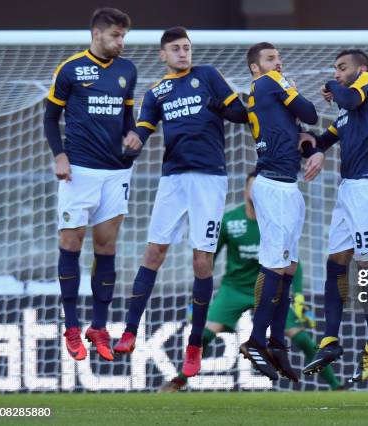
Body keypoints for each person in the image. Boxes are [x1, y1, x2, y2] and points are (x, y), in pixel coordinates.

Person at [112, 27, 247, 380]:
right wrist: (133, 140)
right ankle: (128, 332)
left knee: (202, 259)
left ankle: (195, 346)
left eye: (186, 47)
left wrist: (230, 105)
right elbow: (143, 130)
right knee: (153, 253)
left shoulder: (209, 75)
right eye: (176, 48)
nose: (183, 53)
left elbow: (239, 113)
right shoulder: (156, 92)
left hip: (209, 179)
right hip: (173, 179)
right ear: (163, 55)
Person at [159, 172, 342, 391]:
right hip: (234, 289)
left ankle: (336, 385)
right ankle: (180, 379)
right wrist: (196, 300)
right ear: (246, 191)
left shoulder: (275, 221)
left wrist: (299, 295)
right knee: (204, 334)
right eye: (251, 189)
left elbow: (293, 260)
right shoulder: (229, 221)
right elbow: (208, 260)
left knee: (301, 338)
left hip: (268, 288)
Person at [43, 7, 136, 361]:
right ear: (97, 34)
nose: (120, 42)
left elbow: (129, 118)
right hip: (78, 169)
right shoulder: (70, 69)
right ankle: (71, 326)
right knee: (71, 240)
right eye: (115, 36)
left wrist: (133, 136)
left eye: (123, 36)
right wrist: (59, 154)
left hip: (116, 172)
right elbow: (51, 118)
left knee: (106, 246)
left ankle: (98, 326)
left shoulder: (128, 70)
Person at [299, 50, 368, 383]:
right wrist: (309, 146)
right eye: (334, 70)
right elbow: (324, 140)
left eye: (342, 68)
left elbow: (349, 99)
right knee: (336, 262)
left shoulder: (367, 85)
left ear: (361, 69)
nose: (336, 74)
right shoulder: (345, 114)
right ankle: (330, 340)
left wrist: (329, 85)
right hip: (348, 190)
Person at [238, 42, 322, 381]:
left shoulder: (267, 94)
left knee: (288, 267)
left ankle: (276, 343)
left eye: (279, 58)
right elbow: (312, 111)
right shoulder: (271, 82)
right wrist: (289, 86)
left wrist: (305, 139)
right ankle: (256, 340)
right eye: (271, 59)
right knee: (275, 265)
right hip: (272, 185)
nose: (279, 63)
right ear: (256, 68)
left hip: (287, 184)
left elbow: (300, 126)